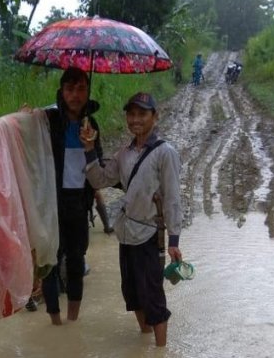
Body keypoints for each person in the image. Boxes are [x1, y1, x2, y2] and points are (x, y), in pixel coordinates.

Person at [79, 92, 183, 347]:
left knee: (153, 297)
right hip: (126, 234)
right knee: (133, 294)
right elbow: (100, 180)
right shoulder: (124, 153)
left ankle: (160, 350)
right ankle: (144, 340)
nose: (136, 119)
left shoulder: (165, 153)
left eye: (142, 114)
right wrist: (90, 149)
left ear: (154, 117)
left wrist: (174, 239)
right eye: (131, 114)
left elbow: (172, 198)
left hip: (151, 235)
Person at [40, 66, 105, 325]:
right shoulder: (48, 120)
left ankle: (73, 321)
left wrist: (90, 145)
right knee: (49, 262)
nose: (75, 95)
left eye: (81, 89)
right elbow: (27, 137)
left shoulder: (92, 123)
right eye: (70, 89)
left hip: (79, 201)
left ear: (88, 91)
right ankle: (55, 322)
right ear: (61, 92)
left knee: (77, 260)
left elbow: (97, 165)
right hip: (52, 201)